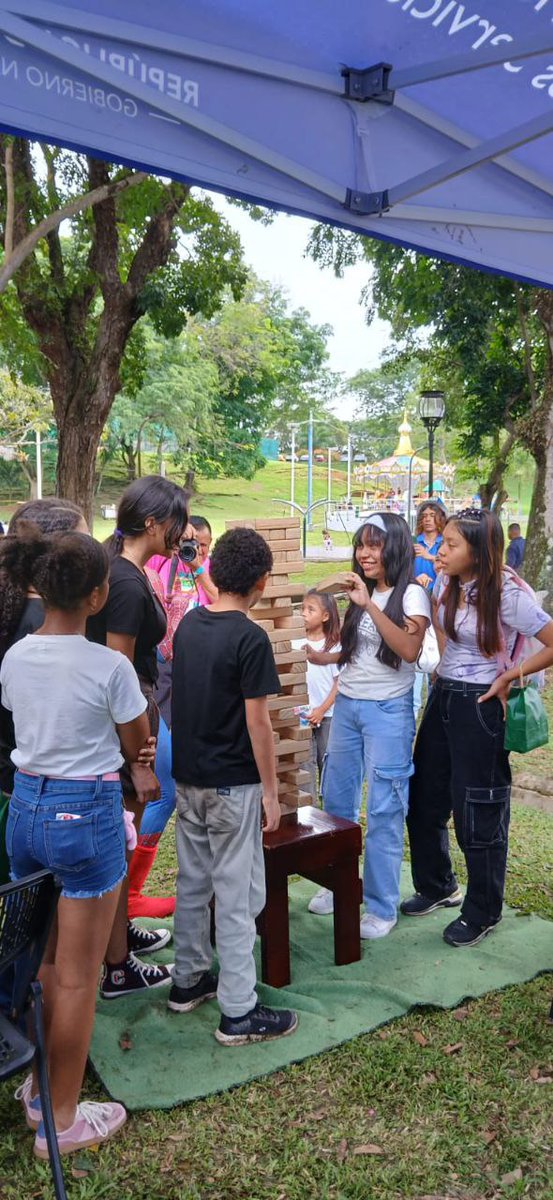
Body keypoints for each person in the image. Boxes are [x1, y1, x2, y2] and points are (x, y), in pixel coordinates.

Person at [1, 525, 155, 1158]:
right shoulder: (110, 665)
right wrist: (141, 760)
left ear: (38, 586)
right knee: (76, 979)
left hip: (26, 809)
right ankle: (60, 1119)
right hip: (85, 814)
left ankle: (41, 1090)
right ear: (98, 596)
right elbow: (135, 741)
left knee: (42, 963)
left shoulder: (14, 657)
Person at [168, 527, 298, 1045]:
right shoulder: (250, 637)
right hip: (233, 786)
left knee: (192, 884)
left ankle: (188, 979)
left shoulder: (189, 628)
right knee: (239, 896)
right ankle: (239, 1012)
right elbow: (258, 724)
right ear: (263, 582)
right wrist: (271, 791)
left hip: (190, 780)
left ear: (213, 570)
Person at [402, 508, 553, 947]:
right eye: (441, 543)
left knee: (478, 807)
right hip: (444, 695)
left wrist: (509, 675)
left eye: (451, 545)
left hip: (481, 706)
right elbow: (448, 635)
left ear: (478, 551)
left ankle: (483, 909)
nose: (440, 551)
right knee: (425, 797)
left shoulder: (506, 592)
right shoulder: (450, 583)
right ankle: (437, 885)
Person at [87, 476, 190, 997]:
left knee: (124, 830)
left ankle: (117, 935)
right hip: (130, 713)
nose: (182, 531)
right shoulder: (125, 581)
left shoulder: (122, 567)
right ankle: (117, 967)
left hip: (137, 708)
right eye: (175, 521)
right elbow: (119, 669)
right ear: (152, 523)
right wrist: (137, 754)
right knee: (124, 828)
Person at [307, 514, 430, 939]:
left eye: (374, 545)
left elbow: (409, 650)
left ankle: (380, 906)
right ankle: (338, 884)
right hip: (349, 709)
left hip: (388, 713)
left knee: (384, 808)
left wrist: (368, 605)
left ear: (394, 547)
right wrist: (322, 658)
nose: (364, 553)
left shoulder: (411, 595)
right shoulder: (363, 594)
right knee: (336, 801)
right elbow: (356, 656)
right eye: (361, 544)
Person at [292, 591, 341, 802]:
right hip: (302, 713)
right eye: (302, 608)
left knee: (328, 761)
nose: (304, 613)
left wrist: (321, 710)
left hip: (328, 714)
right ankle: (308, 807)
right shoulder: (295, 641)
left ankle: (330, 806)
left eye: (310, 609)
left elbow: (340, 682)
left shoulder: (335, 646)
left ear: (326, 616)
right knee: (304, 763)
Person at [413, 501, 446, 719]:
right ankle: (413, 710)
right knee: (417, 647)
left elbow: (451, 564)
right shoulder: (414, 543)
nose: (427, 519)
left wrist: (429, 556)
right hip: (418, 600)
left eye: (432, 515)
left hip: (441, 602)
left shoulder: (446, 543)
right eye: (424, 515)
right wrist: (415, 578)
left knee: (438, 646)